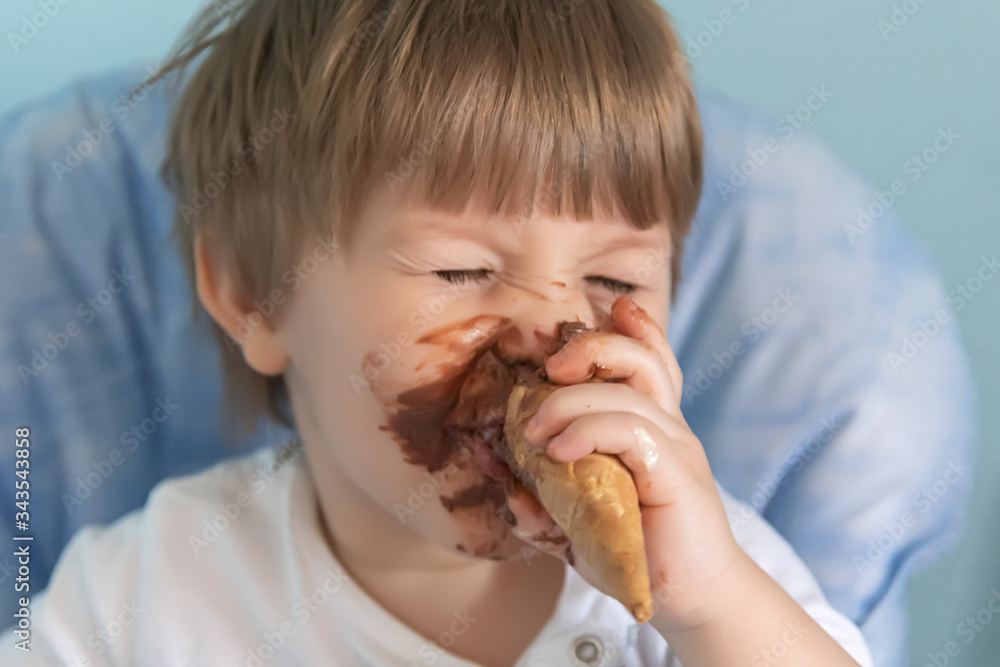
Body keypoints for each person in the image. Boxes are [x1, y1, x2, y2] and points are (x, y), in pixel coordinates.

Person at [0, 0, 974, 665]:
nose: (550, 331)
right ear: (257, 293)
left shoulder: (706, 575)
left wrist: (712, 602)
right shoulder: (154, 591)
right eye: (462, 270)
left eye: (612, 278)